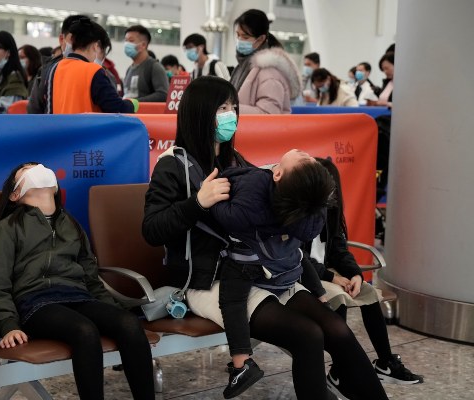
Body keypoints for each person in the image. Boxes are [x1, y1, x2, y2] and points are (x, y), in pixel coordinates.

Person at [143, 75, 389, 400]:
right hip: (211, 280)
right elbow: (152, 229)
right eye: (222, 108)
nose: (231, 115)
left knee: (337, 330)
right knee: (307, 335)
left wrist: (329, 273)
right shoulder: (172, 165)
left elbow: (271, 230)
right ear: (200, 113)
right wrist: (198, 202)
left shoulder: (236, 162)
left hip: (261, 271)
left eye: (233, 106)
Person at [0, 162, 155, 400]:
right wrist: (8, 325)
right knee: (84, 331)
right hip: (35, 304)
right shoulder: (5, 229)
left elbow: (91, 277)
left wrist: (110, 311)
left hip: (77, 297)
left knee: (128, 323)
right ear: (15, 195)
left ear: (54, 187)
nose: (38, 169)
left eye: (39, 166)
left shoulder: (72, 225)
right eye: (28, 170)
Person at [209, 149, 335, 398]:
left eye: (302, 157)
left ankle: (241, 363)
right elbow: (307, 235)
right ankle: (322, 299)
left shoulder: (255, 185)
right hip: (286, 263)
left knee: (232, 301)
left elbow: (227, 217)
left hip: (247, 261)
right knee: (300, 257)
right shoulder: (309, 210)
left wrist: (211, 199)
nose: (305, 153)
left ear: (276, 173)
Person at [299, 157, 423, 398]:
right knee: (340, 297)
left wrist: (354, 273)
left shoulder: (330, 211)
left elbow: (338, 247)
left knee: (368, 292)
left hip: (324, 273)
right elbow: (297, 257)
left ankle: (385, 363)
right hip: (305, 276)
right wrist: (331, 278)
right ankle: (340, 371)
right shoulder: (298, 212)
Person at [46, 17, 137, 114]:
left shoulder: (55, 68)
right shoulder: (94, 70)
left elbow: (49, 108)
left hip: (60, 128)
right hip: (87, 128)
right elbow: (115, 107)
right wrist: (132, 103)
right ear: (96, 46)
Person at [229, 9, 301, 114]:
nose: (239, 40)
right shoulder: (242, 66)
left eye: (245, 37)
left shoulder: (270, 72)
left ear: (261, 39)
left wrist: (229, 109)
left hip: (258, 130)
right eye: (238, 35)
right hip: (244, 129)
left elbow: (268, 114)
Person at [28, 14, 83, 114]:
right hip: (51, 127)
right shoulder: (46, 71)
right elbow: (34, 109)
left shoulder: (95, 71)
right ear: (62, 39)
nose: (79, 44)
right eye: (73, 39)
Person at [122, 25, 169, 102]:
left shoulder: (154, 67)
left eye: (131, 41)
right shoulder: (129, 69)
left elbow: (163, 94)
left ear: (143, 45)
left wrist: (135, 102)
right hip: (129, 113)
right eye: (126, 41)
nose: (127, 44)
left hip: (144, 113)